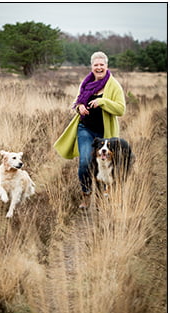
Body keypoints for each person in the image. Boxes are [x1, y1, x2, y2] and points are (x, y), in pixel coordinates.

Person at [53, 51, 126, 209]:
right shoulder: (86, 83)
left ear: (106, 66)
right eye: (96, 65)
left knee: (102, 166)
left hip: (104, 135)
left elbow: (121, 110)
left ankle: (101, 197)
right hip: (85, 129)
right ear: (92, 67)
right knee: (85, 161)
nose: (99, 67)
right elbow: (77, 101)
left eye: (102, 65)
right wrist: (79, 107)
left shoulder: (113, 85)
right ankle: (86, 195)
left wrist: (103, 101)